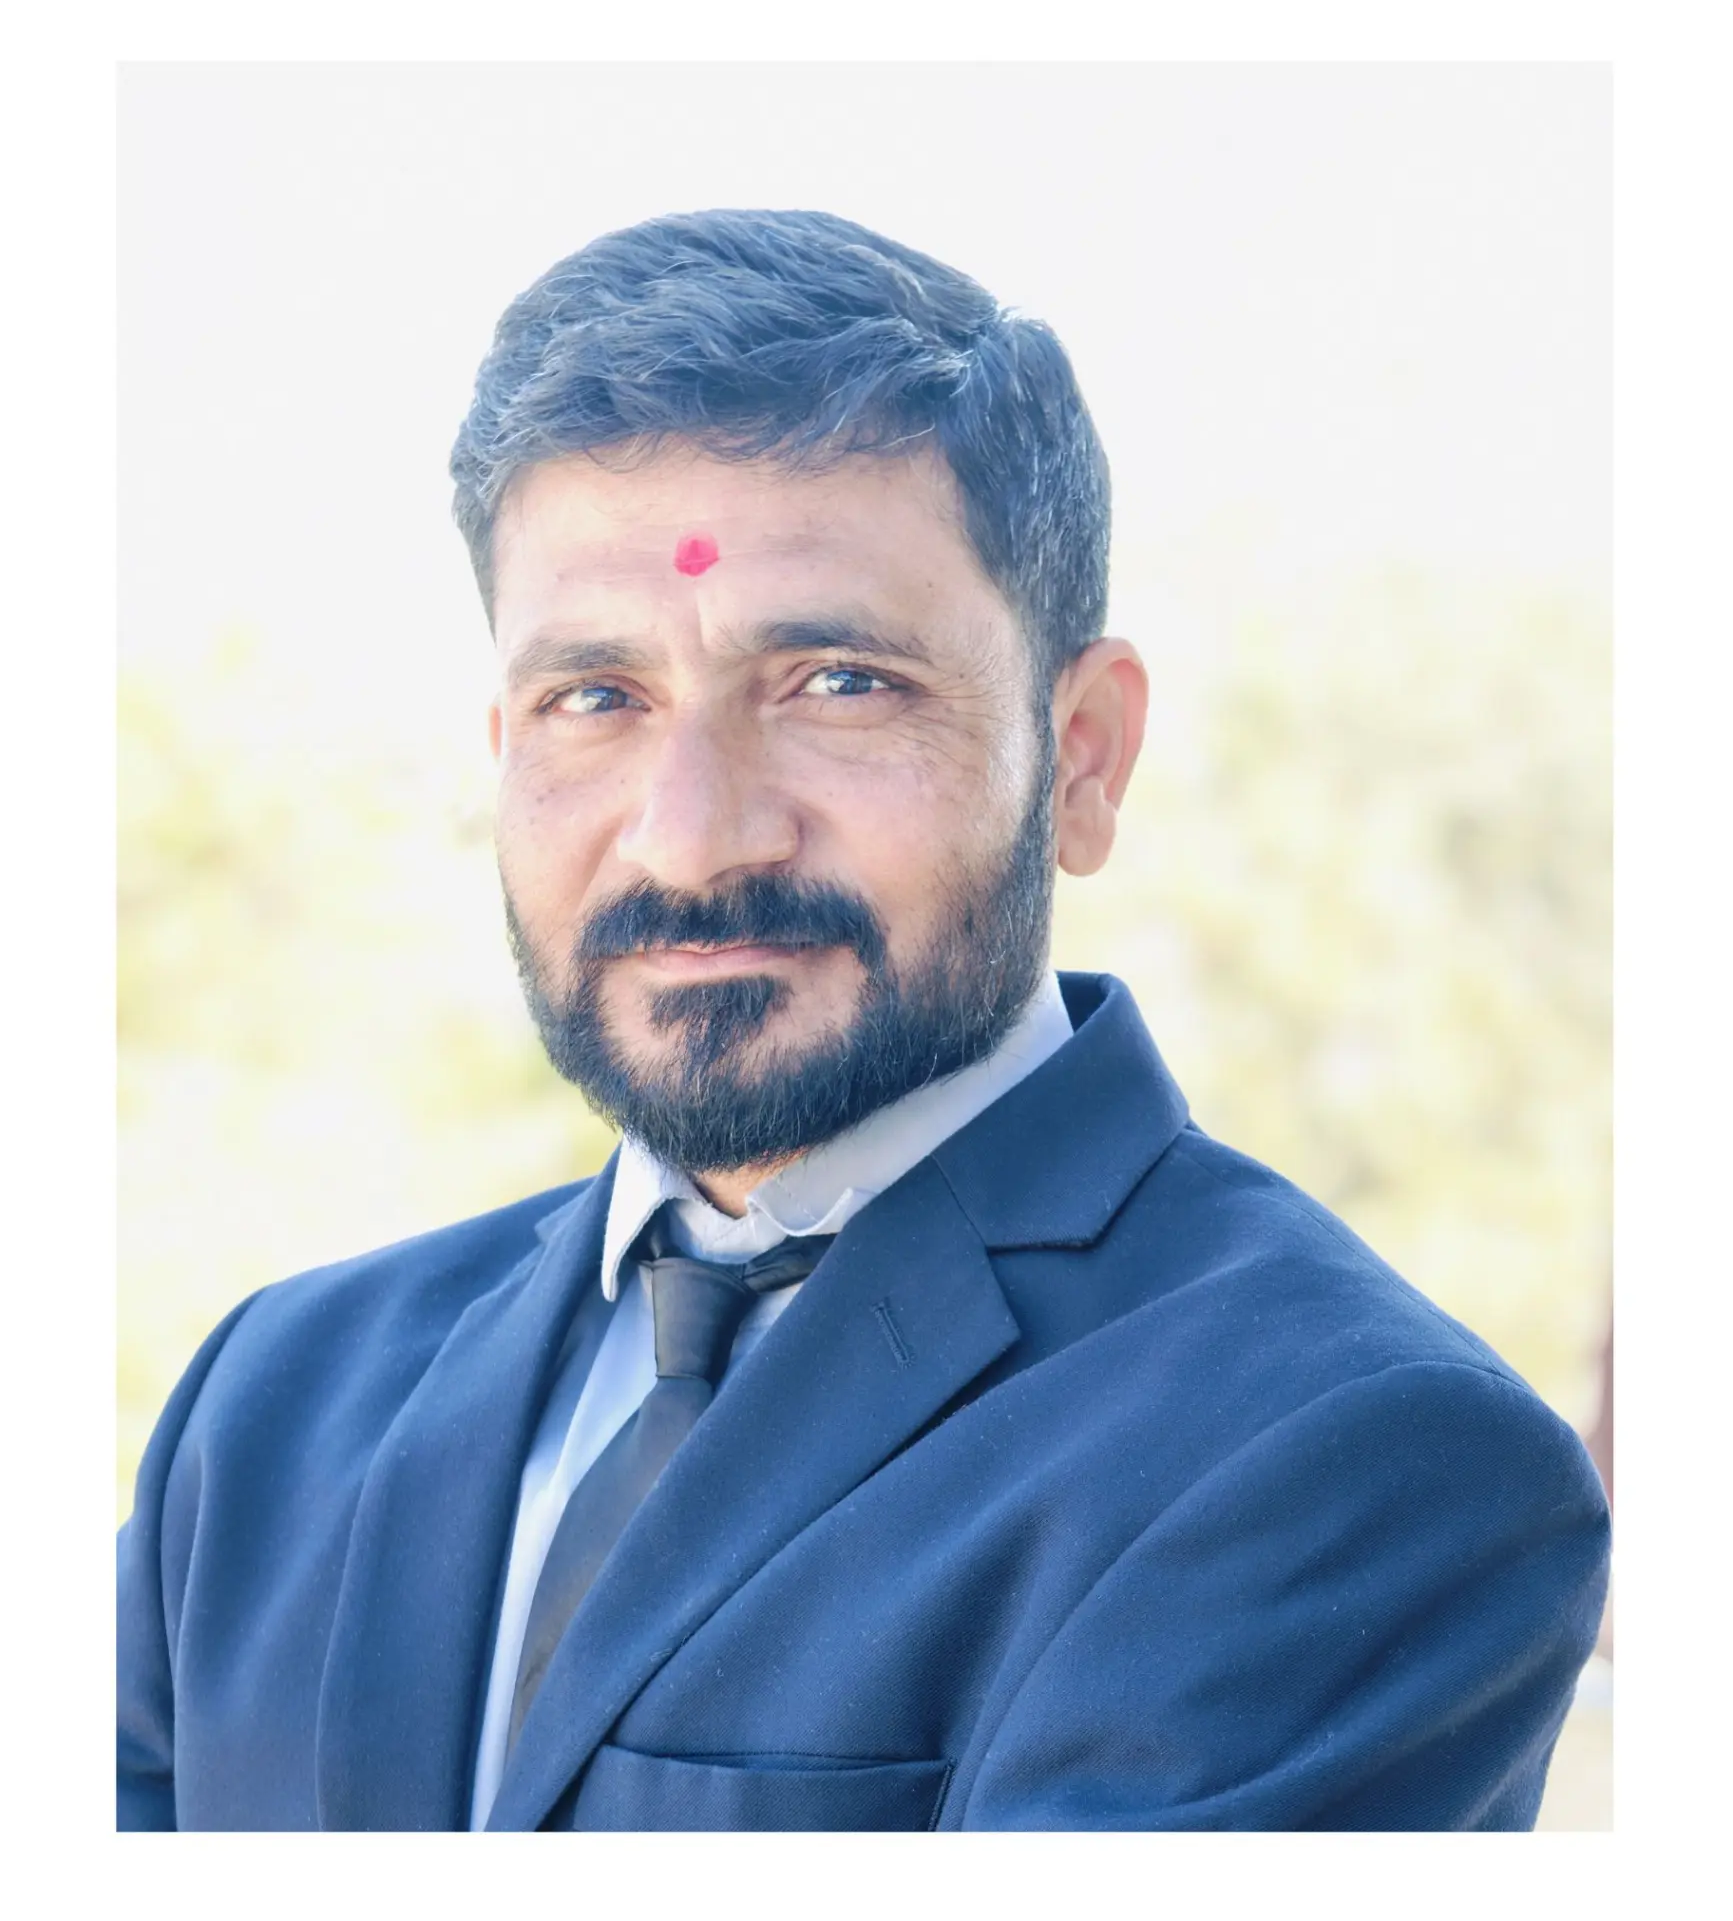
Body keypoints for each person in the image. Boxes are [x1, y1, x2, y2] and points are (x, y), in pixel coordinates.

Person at [116, 209, 1610, 1832]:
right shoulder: (265, 1413)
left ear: (1083, 757)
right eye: (595, 699)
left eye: (837, 682)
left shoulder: (1356, 1454)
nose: (691, 837)